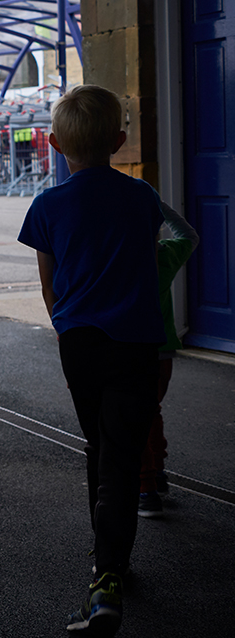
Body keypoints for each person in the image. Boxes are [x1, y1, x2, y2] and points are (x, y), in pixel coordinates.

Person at [17, 84, 164, 635]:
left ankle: (106, 567)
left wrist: (65, 325)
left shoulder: (48, 205)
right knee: (123, 454)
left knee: (98, 446)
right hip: (136, 341)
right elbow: (148, 265)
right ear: (120, 141)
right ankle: (110, 569)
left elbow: (50, 286)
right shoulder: (142, 197)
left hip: (80, 343)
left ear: (54, 144)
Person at [138, 200, 199, 518]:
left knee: (134, 420)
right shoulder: (165, 255)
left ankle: (146, 490)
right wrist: (159, 206)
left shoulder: (121, 262)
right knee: (152, 410)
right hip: (163, 351)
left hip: (132, 350)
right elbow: (189, 235)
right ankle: (158, 473)